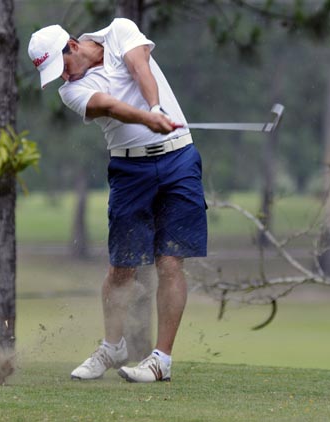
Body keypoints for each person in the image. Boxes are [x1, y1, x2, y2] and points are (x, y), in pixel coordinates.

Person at [27, 18, 207, 383]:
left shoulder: (120, 31)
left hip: (178, 159)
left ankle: (161, 361)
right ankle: (113, 347)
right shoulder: (71, 92)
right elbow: (108, 106)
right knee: (121, 268)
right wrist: (146, 117)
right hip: (130, 172)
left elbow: (139, 66)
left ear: (73, 46)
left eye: (61, 67)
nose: (62, 77)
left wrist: (156, 108)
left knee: (170, 261)